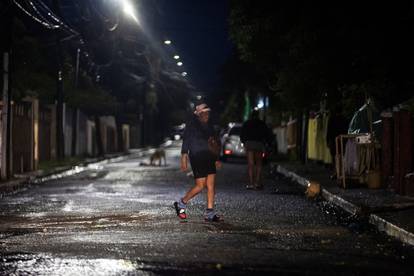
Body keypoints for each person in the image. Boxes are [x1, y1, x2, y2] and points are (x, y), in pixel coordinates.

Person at [174, 103, 223, 222]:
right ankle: (181, 203)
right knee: (200, 186)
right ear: (198, 114)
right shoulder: (192, 125)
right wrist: (184, 157)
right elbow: (186, 141)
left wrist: (216, 158)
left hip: (209, 156)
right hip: (197, 156)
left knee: (211, 185)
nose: (206, 115)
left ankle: (210, 213)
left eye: (207, 113)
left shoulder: (210, 125)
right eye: (204, 113)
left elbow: (214, 142)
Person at [240, 110, 271, 190]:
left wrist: (244, 142)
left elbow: (242, 134)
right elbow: (267, 134)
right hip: (259, 144)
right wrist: (266, 143)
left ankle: (251, 183)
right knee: (259, 164)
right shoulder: (261, 123)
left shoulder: (247, 123)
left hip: (249, 143)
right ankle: (257, 183)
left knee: (251, 164)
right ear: (258, 115)